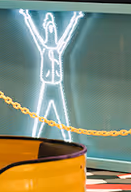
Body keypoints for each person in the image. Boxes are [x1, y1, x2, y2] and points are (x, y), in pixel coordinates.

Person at [19, 10, 83, 140]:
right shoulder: (44, 48)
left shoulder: (57, 48)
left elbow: (67, 34)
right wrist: (26, 16)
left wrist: (75, 19)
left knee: (63, 118)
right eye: (49, 27)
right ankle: (34, 141)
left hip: (57, 86)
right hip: (47, 85)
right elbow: (34, 33)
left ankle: (68, 142)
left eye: (52, 27)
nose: (51, 30)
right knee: (40, 118)